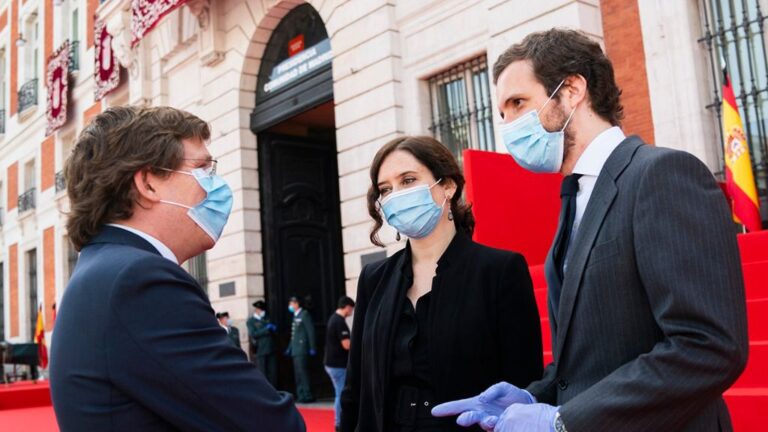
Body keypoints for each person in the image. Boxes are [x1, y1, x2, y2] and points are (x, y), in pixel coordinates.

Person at [432, 28, 748, 432]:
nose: (508, 124)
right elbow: (590, 357)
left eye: (518, 103)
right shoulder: (574, 195)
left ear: (572, 90)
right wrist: (537, 395)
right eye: (503, 112)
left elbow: (708, 346)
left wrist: (565, 421)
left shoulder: (661, 174)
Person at [49, 106, 305, 431]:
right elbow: (272, 424)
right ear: (149, 184)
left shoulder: (105, 268)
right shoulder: (140, 280)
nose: (217, 185)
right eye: (203, 169)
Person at [340, 136, 544, 432]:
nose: (395, 195)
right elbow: (354, 386)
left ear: (447, 185)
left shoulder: (500, 270)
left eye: (408, 180)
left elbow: (524, 383)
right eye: (385, 189)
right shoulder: (374, 279)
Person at [324, 296, 355, 432]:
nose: (352, 311)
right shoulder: (339, 322)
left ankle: (340, 421)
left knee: (339, 393)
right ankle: (339, 423)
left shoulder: (334, 319)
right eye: (352, 308)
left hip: (333, 364)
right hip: (337, 365)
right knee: (340, 394)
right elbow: (347, 345)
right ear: (347, 307)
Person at [286, 296, 316, 403]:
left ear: (297, 303)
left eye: (291, 303)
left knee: (303, 373)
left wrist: (312, 347)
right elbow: (294, 335)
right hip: (295, 349)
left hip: (302, 349)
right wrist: (289, 348)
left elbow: (310, 331)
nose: (290, 306)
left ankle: (308, 395)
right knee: (297, 374)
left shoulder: (304, 314)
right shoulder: (295, 316)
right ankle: (301, 394)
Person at [247, 300, 278, 386]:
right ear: (256, 310)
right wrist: (266, 329)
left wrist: (274, 329)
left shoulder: (267, 318)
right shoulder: (251, 321)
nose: (262, 312)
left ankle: (274, 391)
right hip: (261, 349)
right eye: (260, 310)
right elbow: (254, 334)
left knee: (273, 372)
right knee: (263, 372)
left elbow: (274, 331)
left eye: (262, 310)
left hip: (271, 348)